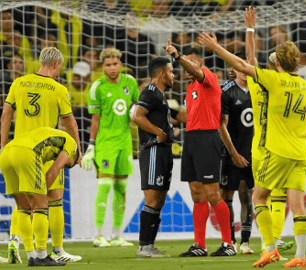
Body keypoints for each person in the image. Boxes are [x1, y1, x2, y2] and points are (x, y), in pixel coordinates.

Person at [198, 28, 306, 268]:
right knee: (297, 204)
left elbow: (245, 63)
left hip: (272, 151)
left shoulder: (270, 80)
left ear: (277, 64)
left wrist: (217, 47)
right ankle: (301, 255)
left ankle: (271, 248)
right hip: (298, 152)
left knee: (258, 197)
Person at [1, 47, 82, 264]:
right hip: (46, 151)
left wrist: (2, 145)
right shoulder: (58, 89)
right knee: (52, 200)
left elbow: (6, 114)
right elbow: (70, 122)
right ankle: (56, 250)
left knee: (23, 204)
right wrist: (77, 149)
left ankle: (17, 244)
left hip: (15, 148)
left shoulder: (19, 82)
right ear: (56, 65)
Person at [164, 44, 234, 257]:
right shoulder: (191, 87)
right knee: (196, 193)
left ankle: (228, 244)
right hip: (192, 138)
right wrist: (163, 108)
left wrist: (177, 56)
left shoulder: (209, 79)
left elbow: (195, 71)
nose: (186, 67)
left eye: (190, 61)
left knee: (213, 193)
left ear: (201, 63)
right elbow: (188, 117)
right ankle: (200, 245)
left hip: (208, 138)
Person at [243, 7, 294, 255]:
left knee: (263, 195)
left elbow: (250, 59)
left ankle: (270, 242)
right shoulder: (288, 86)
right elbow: (251, 59)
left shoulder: (257, 83)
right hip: (278, 146)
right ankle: (272, 239)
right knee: (276, 194)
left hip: (261, 147)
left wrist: (250, 28)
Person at [81, 47, 140, 247]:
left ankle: (116, 235)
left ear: (120, 64)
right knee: (105, 186)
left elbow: (137, 106)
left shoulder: (130, 83)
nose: (112, 68)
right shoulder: (97, 86)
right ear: (102, 67)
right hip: (105, 142)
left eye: (115, 64)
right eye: (108, 65)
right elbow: (95, 119)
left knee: (121, 188)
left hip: (125, 142)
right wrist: (91, 146)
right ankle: (98, 235)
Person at [0, 127, 78, 266]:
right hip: (27, 153)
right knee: (40, 206)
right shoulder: (72, 145)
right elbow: (54, 170)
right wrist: (40, 195)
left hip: (6, 153)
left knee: (22, 208)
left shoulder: (50, 134)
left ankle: (31, 256)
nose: (67, 165)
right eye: (69, 165)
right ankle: (41, 256)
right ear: (75, 156)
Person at [132, 57, 187, 258]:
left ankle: (150, 245)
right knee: (153, 198)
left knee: (160, 199)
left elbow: (179, 116)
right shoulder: (150, 91)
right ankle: (144, 247)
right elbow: (137, 115)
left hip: (163, 150)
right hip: (153, 149)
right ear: (162, 73)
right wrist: (158, 132)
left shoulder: (161, 96)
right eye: (172, 72)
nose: (174, 76)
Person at [219, 54, 255, 254]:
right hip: (231, 154)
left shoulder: (258, 91)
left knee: (247, 196)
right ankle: (229, 240)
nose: (244, 71)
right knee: (227, 196)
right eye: (239, 68)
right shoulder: (226, 92)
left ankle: (246, 242)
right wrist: (233, 153)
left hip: (253, 154)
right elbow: (221, 125)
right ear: (234, 69)